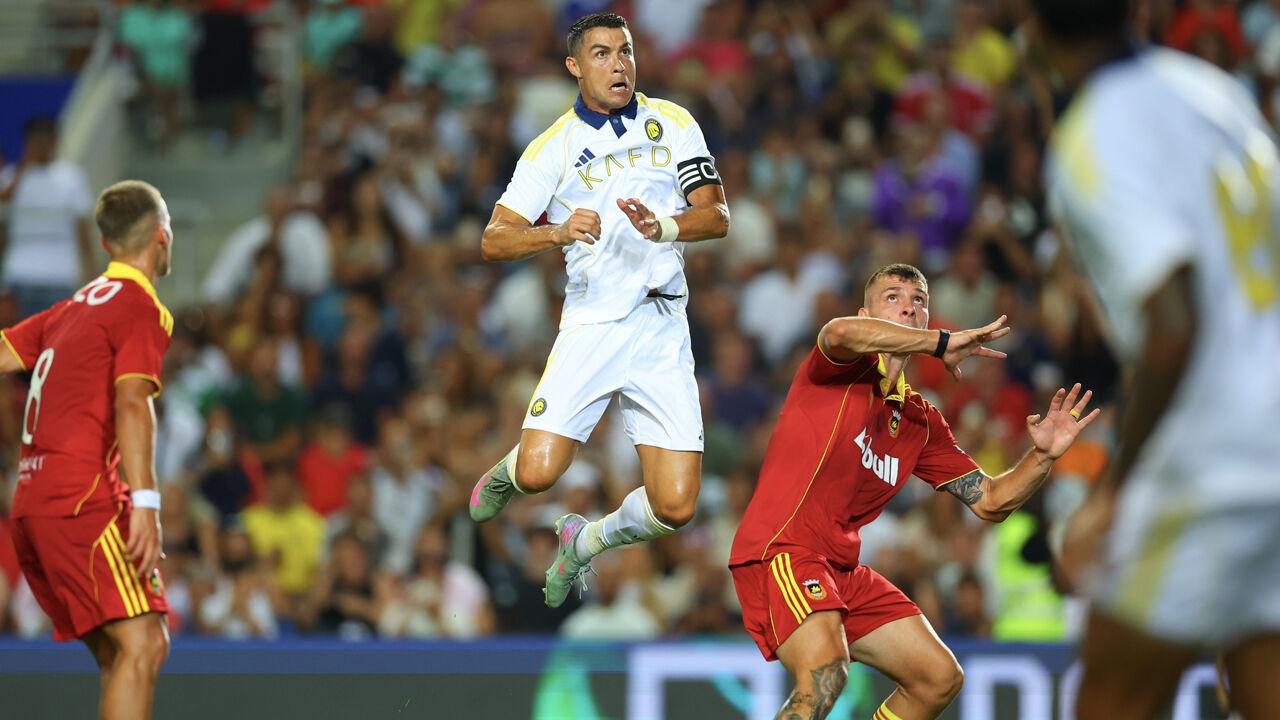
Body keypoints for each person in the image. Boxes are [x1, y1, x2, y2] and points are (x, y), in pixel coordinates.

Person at [1032, 1, 1280, 718]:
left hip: (1218, 453)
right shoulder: (1216, 94)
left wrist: (1114, 493)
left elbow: (1172, 326)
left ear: (1035, 29)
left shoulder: (1096, 132)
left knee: (1114, 700)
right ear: (1137, 10)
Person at [728, 263, 1100, 720]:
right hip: (783, 550)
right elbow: (838, 331)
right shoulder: (840, 367)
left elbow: (990, 500)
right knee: (827, 670)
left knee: (938, 677)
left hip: (842, 570)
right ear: (867, 312)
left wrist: (1041, 456)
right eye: (893, 296)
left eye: (920, 299)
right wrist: (941, 342)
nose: (909, 304)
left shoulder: (920, 421)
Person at [469, 11, 729, 608]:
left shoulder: (674, 123)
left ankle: (583, 543)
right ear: (574, 67)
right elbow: (494, 238)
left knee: (677, 506)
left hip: (663, 325)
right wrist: (555, 233)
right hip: (594, 323)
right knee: (539, 475)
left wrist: (663, 226)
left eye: (626, 51)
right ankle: (510, 472)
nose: (619, 64)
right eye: (603, 54)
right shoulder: (553, 147)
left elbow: (716, 216)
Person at [2, 180, 175, 720]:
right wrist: (146, 504)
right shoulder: (139, 305)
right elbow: (132, 403)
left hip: (31, 504)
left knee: (119, 650)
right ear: (162, 238)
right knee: (145, 641)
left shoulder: (69, 309)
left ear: (104, 245)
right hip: (83, 503)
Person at [0, 116, 95, 320]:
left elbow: (82, 229)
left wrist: (90, 270)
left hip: (60, 273)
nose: (42, 146)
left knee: (57, 341)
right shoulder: (10, 176)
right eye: (36, 141)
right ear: (27, 143)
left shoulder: (72, 177)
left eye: (46, 140)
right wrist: (25, 165)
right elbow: (3, 202)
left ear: (55, 140)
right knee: (16, 342)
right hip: (20, 272)